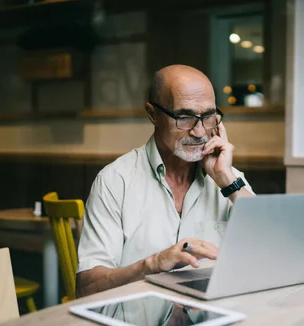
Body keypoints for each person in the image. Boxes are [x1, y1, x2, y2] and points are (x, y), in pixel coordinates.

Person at [76, 65, 254, 297]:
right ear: (153, 115)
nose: (200, 132)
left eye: (208, 116)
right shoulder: (115, 181)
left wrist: (226, 179)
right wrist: (153, 264)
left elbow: (274, 253)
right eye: (185, 117)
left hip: (213, 321)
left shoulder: (230, 179)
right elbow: (86, 288)